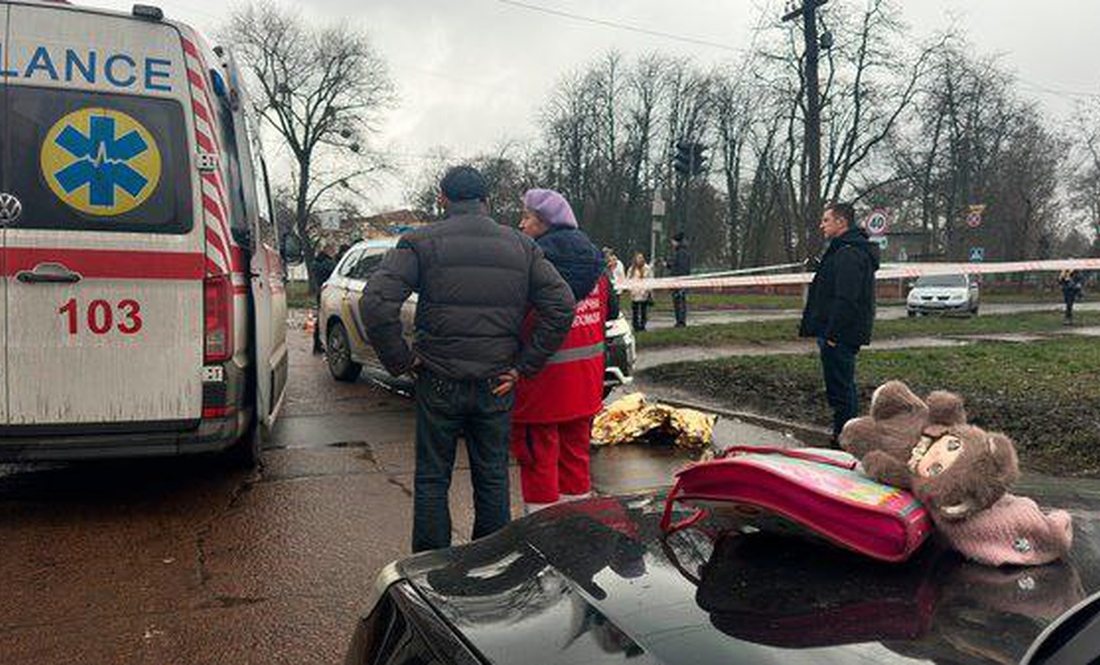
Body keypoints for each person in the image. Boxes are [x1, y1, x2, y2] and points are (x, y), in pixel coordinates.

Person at [362, 166, 576, 553]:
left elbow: (376, 303)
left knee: (432, 478)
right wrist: (524, 367)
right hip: (497, 381)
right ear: (487, 201)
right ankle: (490, 565)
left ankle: (429, 570)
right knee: (493, 476)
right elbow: (561, 306)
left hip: (438, 378)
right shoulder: (522, 246)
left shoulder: (419, 242)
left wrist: (403, 361)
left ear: (442, 198)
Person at [512, 188, 609, 512]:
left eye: (527, 217)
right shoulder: (598, 266)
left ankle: (542, 541)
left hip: (540, 385)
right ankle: (578, 533)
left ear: (545, 224)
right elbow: (609, 315)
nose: (521, 224)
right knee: (576, 462)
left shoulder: (531, 265)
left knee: (538, 464)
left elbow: (519, 320)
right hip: (585, 385)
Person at [798, 202, 880, 446]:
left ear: (841, 222)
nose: (822, 225)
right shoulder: (843, 250)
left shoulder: (849, 253)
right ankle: (843, 433)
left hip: (840, 334)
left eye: (826, 220)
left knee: (841, 388)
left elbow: (847, 297)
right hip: (837, 331)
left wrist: (833, 333)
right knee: (839, 386)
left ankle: (845, 439)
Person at [311, 245, 337, 354]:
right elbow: (333, 271)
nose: (334, 252)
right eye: (332, 250)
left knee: (320, 318)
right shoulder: (327, 263)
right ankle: (322, 344)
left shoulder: (316, 262)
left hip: (321, 292)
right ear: (328, 251)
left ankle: (317, 344)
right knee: (326, 318)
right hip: (328, 292)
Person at [665, 233, 692, 327]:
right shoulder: (682, 252)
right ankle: (679, 321)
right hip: (679, 281)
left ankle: (681, 322)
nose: (672, 243)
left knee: (679, 302)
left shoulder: (680, 253)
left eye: (672, 241)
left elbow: (680, 268)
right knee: (679, 301)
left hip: (679, 281)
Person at [627, 252, 653, 332]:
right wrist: (630, 289)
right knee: (635, 311)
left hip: (643, 293)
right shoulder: (631, 269)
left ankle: (642, 325)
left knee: (643, 311)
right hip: (635, 293)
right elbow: (628, 279)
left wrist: (648, 290)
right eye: (638, 258)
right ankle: (635, 326)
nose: (639, 259)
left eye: (641, 257)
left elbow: (650, 279)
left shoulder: (647, 268)